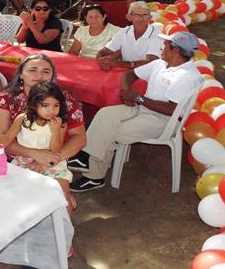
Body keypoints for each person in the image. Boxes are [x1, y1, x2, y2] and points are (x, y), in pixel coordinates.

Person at [0, 54, 85, 269]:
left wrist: (51, 160)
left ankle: (59, 241)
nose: (39, 75)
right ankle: (32, 265)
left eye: (46, 71)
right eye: (33, 70)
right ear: (21, 73)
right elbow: (1, 140)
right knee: (21, 209)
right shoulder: (6, 99)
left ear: (53, 75)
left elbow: (79, 138)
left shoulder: (62, 100)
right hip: (16, 160)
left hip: (53, 160)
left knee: (59, 204)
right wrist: (32, 153)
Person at [69, 32, 202, 192]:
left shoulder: (187, 76)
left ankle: (94, 177)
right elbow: (130, 74)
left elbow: (171, 109)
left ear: (176, 50)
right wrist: (127, 92)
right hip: (143, 107)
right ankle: (84, 157)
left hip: (163, 120)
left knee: (109, 132)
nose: (162, 46)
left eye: (166, 44)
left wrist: (138, 98)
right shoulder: (161, 63)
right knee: (105, 115)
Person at [1, 82, 73, 217]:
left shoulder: (60, 124)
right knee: (13, 194)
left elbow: (56, 150)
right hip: (24, 161)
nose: (51, 111)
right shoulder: (22, 119)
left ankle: (66, 231)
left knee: (63, 195)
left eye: (56, 106)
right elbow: (6, 140)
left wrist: (55, 132)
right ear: (34, 105)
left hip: (52, 161)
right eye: (45, 106)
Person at [95, 1, 161, 70]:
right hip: (126, 72)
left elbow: (151, 62)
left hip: (148, 75)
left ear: (150, 18)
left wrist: (118, 64)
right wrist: (102, 61)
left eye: (145, 15)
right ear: (129, 17)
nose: (141, 19)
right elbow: (104, 51)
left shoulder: (156, 34)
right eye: (136, 15)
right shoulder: (124, 31)